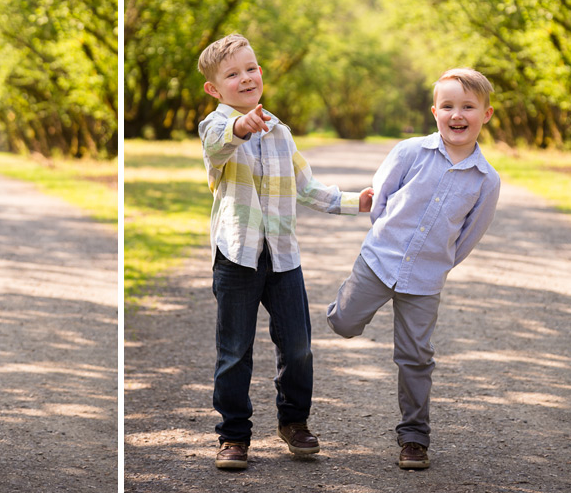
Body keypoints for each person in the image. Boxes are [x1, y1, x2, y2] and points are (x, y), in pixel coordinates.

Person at [197, 33, 372, 470]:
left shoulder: (280, 131)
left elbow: (307, 188)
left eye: (251, 68)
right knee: (234, 350)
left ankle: (293, 422)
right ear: (214, 89)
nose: (246, 78)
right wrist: (242, 126)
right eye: (232, 74)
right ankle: (233, 435)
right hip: (237, 255)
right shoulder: (214, 126)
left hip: (282, 256)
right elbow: (220, 143)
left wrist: (357, 202)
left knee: (298, 347)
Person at [326, 67, 501, 470]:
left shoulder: (486, 180)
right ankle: (343, 307)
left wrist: (435, 264)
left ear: (486, 115)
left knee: (416, 356)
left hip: (425, 280)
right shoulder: (410, 152)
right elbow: (382, 197)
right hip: (379, 261)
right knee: (345, 324)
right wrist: (386, 241)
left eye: (468, 107)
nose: (458, 115)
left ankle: (414, 438)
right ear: (435, 111)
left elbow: (468, 237)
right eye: (448, 106)